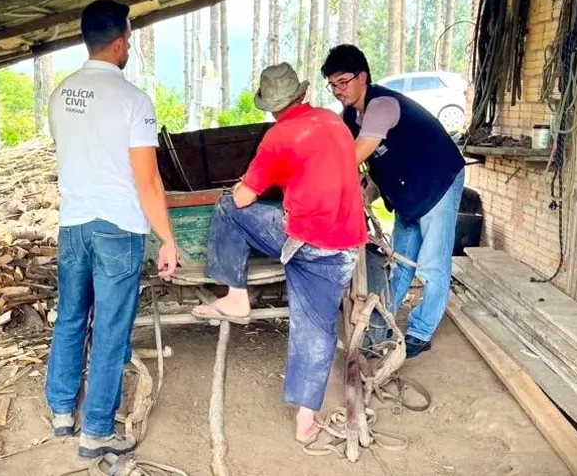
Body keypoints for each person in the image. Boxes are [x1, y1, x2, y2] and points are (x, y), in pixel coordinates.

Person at [190, 63, 366, 444]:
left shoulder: (278, 136)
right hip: (345, 245)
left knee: (226, 207)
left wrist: (246, 182)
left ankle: (236, 298)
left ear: (271, 106)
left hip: (306, 239)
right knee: (316, 329)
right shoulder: (333, 122)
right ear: (302, 95)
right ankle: (306, 424)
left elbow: (243, 197)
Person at [45, 0, 178, 459]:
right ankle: (97, 431)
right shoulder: (134, 100)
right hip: (118, 229)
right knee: (110, 330)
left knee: (70, 317)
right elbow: (147, 179)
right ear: (121, 43)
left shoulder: (60, 94)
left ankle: (62, 412)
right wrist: (168, 238)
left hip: (73, 226)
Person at [321, 44, 465, 359]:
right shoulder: (350, 115)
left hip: (438, 183)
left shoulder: (382, 104)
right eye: (332, 85)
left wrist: (318, 180)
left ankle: (421, 332)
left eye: (343, 82)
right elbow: (354, 160)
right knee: (400, 261)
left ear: (363, 77)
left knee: (431, 265)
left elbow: (358, 152)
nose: (337, 91)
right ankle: (384, 321)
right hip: (406, 192)